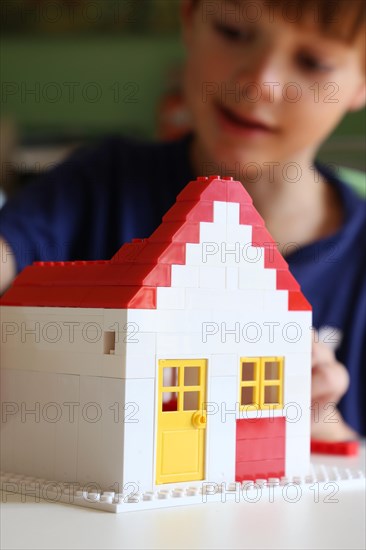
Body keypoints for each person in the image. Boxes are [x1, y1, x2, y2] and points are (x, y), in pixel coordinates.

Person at [0, 0, 365, 439]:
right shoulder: (95, 185)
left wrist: (330, 434)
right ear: (190, 19)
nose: (259, 83)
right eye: (233, 32)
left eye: (313, 62)